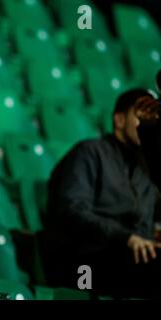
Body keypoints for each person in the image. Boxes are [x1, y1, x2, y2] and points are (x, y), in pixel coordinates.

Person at [41, 88, 161, 299]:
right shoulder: (90, 152)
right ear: (120, 120)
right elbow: (71, 211)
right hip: (85, 264)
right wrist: (126, 238)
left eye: (154, 116)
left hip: (132, 263)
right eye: (142, 114)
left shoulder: (147, 168)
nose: (149, 121)